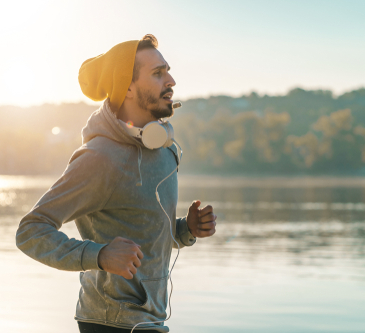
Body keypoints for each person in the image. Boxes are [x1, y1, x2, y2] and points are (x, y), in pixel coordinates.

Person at [15, 34, 217, 333]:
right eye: (158, 73)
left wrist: (186, 230)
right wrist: (100, 255)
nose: (171, 80)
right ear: (128, 87)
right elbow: (30, 232)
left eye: (168, 70)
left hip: (151, 322)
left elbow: (143, 237)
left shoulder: (164, 150)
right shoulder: (100, 158)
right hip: (108, 325)